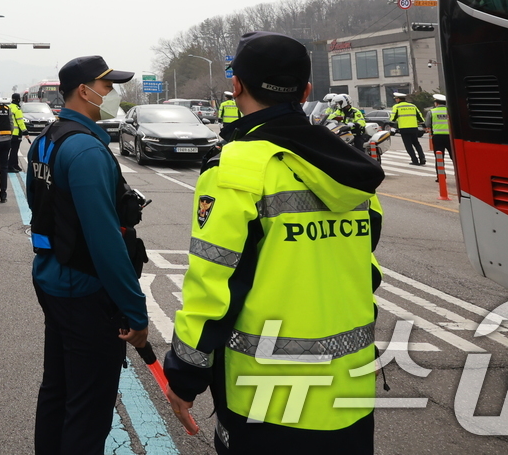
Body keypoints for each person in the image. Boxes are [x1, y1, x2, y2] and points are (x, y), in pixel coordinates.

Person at [162, 32, 385, 454]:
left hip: (266, 398)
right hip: (350, 390)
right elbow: (365, 272)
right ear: (306, 91)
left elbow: (213, 287)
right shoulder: (350, 170)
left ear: (236, 86)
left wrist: (184, 378)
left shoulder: (236, 168)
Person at [28, 56, 149, 455]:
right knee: (89, 408)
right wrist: (135, 311)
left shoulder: (47, 140)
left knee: (58, 390)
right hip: (85, 292)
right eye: (107, 87)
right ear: (84, 91)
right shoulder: (86, 151)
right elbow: (105, 243)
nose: (112, 94)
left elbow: (41, 211)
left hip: (53, 280)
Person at [390, 92, 426, 166]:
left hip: (404, 129)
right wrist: (423, 125)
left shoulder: (397, 106)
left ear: (398, 99)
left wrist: (391, 125)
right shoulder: (413, 106)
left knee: (408, 145)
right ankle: (422, 158)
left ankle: (414, 160)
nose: (395, 100)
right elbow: (420, 118)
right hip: (414, 128)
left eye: (396, 99)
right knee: (416, 143)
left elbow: (393, 118)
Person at [426, 94, 453, 183]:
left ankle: (441, 176)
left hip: (438, 137)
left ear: (436, 103)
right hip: (450, 137)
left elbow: (427, 124)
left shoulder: (432, 112)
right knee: (454, 157)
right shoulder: (450, 111)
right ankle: (460, 175)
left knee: (439, 157)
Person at [7, 92, 29, 173]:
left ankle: (15, 165)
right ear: (19, 99)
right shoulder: (17, 109)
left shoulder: (8, 107)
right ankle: (10, 166)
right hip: (16, 133)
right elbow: (20, 122)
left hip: (8, 132)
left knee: (11, 150)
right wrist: (25, 132)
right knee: (14, 150)